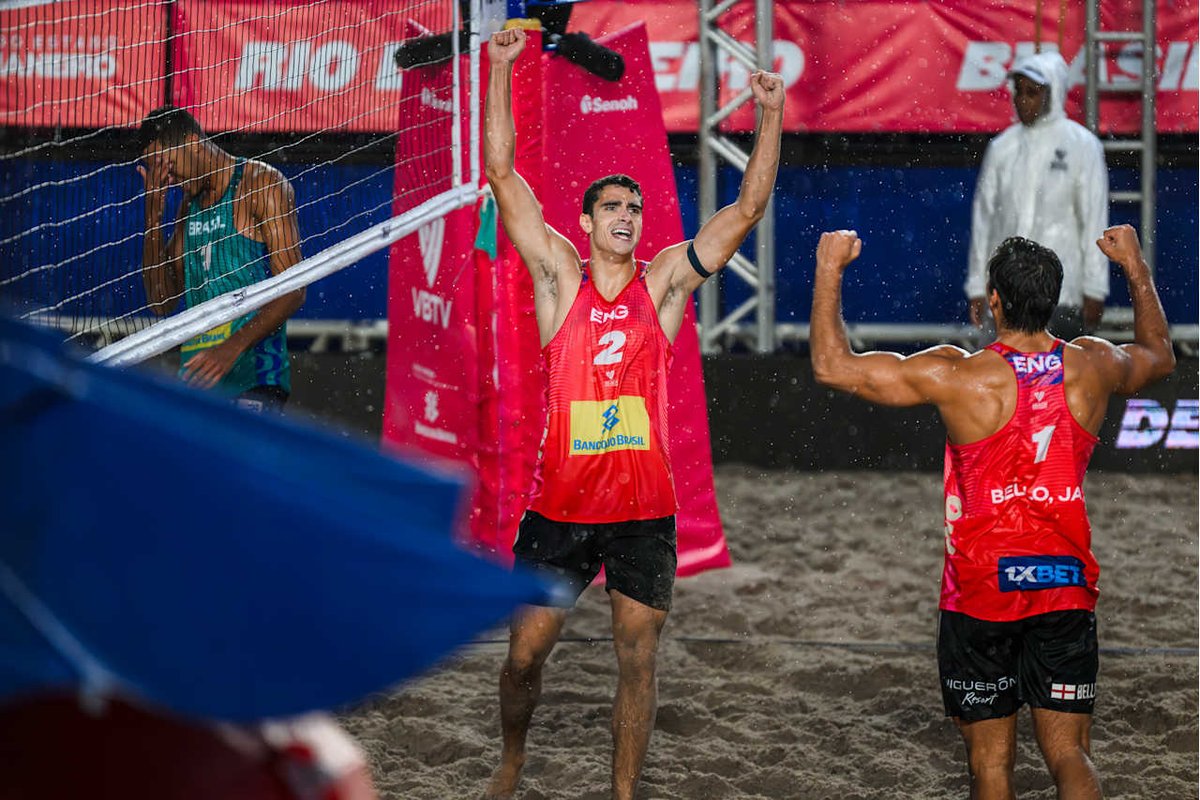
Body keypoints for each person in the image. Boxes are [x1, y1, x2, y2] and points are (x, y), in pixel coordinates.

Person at [482, 27, 782, 800]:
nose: (626, 214)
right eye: (611, 206)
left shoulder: (664, 285)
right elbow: (501, 171)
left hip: (644, 511)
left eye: (634, 206)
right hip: (560, 506)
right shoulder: (559, 277)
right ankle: (511, 765)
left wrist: (770, 117)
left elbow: (748, 206)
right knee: (523, 659)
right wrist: (502, 69)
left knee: (637, 657)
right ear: (584, 223)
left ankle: (622, 792)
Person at [810, 225, 1174, 799]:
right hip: (1063, 583)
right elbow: (1159, 355)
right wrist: (1134, 266)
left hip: (982, 591)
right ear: (1054, 301)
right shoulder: (1092, 364)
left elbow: (833, 366)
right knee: (1070, 754)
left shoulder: (957, 375)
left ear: (995, 301)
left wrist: (829, 268)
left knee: (990, 767)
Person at [138, 105, 304, 413]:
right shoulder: (187, 208)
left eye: (168, 165)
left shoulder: (261, 184)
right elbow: (161, 301)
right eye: (159, 172)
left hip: (254, 379)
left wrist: (231, 348)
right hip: (199, 385)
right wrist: (152, 218)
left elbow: (294, 291)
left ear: (191, 142)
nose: (167, 178)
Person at [966, 51, 1110, 340]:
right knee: (1000, 380)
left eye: (1033, 92)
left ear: (1053, 94)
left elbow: (1094, 221)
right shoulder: (1002, 148)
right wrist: (976, 284)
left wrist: (1094, 287)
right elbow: (984, 223)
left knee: (1060, 381)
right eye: (1019, 91)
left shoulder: (1082, 146)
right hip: (1006, 292)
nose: (1023, 100)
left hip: (1062, 294)